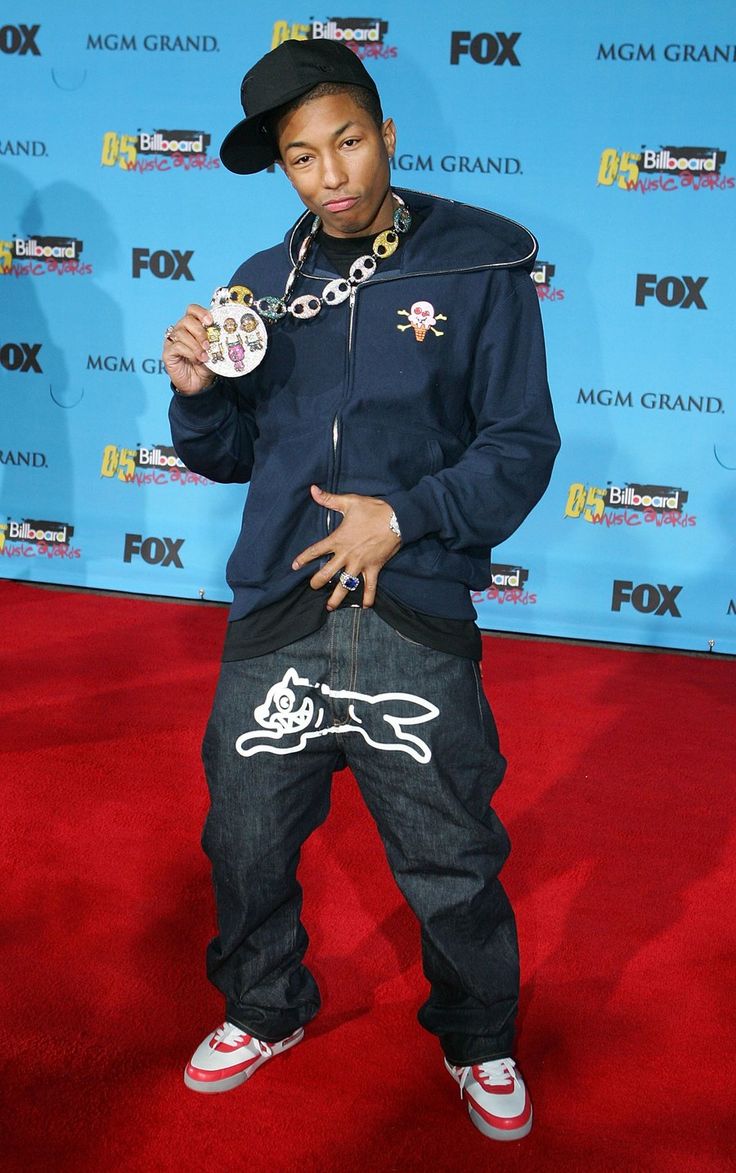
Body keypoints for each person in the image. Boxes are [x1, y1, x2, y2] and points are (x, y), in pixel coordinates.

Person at [162, 37, 560, 1142]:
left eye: (346, 142)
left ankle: (479, 1034)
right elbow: (234, 451)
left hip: (414, 603)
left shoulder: (477, 264)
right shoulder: (259, 287)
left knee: (450, 855)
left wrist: (407, 516)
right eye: (302, 157)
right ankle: (263, 1005)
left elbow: (521, 442)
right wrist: (195, 395)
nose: (330, 175)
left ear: (385, 133)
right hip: (279, 605)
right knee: (243, 837)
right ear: (282, 169)